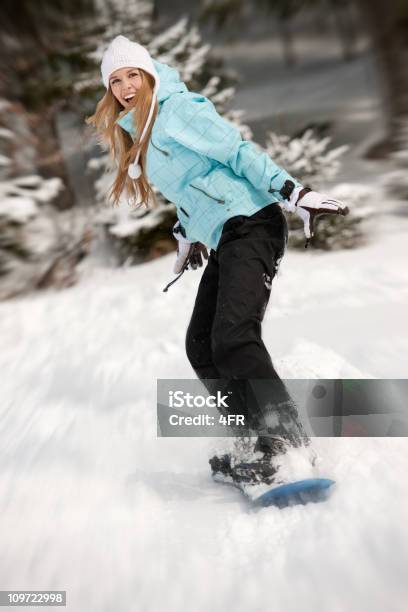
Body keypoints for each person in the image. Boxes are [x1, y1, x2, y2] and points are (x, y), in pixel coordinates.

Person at [88, 35, 349, 489]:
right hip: (226, 233)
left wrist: (294, 192)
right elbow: (193, 189)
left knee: (234, 337)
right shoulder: (142, 131)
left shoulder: (178, 109)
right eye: (115, 80)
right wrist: (187, 235)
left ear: (149, 74)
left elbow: (237, 152)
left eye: (133, 74)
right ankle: (252, 440)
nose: (126, 85)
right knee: (202, 346)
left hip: (252, 221)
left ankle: (287, 445)